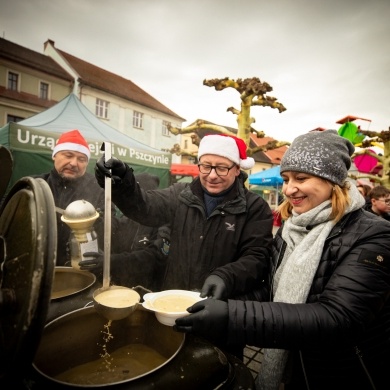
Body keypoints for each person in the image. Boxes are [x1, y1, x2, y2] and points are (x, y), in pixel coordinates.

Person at [174, 130, 390, 390]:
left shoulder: (374, 235)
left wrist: (230, 317)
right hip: (294, 369)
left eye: (301, 178)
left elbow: (337, 318)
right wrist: (219, 302)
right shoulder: (292, 227)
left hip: (342, 374)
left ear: (332, 180)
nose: (289, 189)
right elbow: (275, 288)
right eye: (286, 178)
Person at [95, 134, 274, 358]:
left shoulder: (255, 208)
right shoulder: (181, 194)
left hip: (218, 315)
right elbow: (145, 207)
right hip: (172, 310)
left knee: (218, 369)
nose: (212, 175)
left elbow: (257, 257)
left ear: (237, 169)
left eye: (222, 168)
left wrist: (226, 276)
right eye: (206, 166)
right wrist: (123, 182)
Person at [34, 129, 117, 266]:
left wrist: (98, 222)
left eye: (81, 159)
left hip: (81, 269)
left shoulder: (99, 190)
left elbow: (113, 228)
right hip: (39, 268)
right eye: (68, 155)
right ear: (54, 155)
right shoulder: (36, 185)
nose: (73, 163)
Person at [79, 172, 171, 291]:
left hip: (147, 293)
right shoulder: (125, 221)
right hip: (119, 290)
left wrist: (111, 261)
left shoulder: (163, 223)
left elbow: (154, 258)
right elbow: (109, 241)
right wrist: (96, 226)